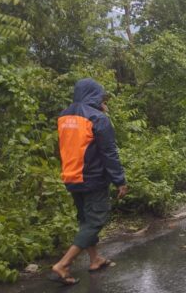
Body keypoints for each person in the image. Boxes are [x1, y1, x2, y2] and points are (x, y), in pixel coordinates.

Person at [50, 78, 128, 286]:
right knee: (96, 221)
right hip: (92, 177)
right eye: (101, 96)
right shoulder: (97, 118)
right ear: (93, 95)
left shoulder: (63, 116)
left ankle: (95, 259)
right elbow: (108, 153)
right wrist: (119, 180)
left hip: (70, 176)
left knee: (85, 220)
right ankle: (63, 264)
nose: (103, 100)